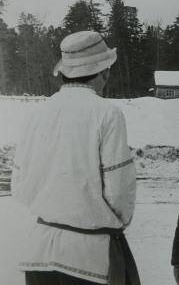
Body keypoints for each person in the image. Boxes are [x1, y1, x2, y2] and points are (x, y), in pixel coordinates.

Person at [11, 31, 139, 285]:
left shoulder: (38, 112)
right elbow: (119, 190)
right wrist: (112, 223)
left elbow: (20, 186)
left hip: (39, 250)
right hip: (88, 257)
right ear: (104, 71)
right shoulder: (107, 113)